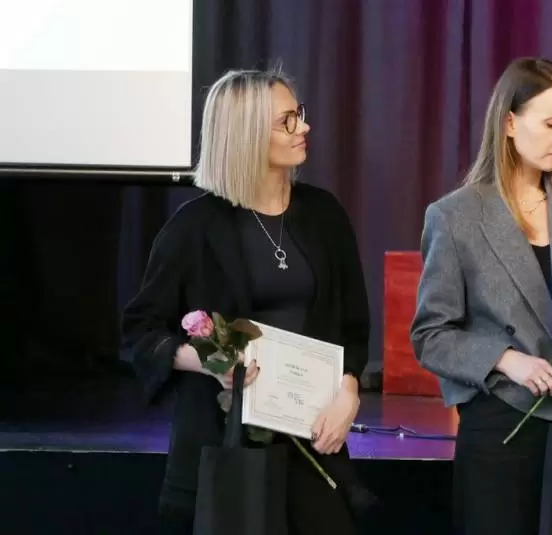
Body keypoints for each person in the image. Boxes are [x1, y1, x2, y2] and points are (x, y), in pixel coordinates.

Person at [120, 67, 370, 534]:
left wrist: (349, 393)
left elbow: (354, 327)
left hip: (314, 437)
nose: (305, 126)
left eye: (299, 114)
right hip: (226, 444)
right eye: (287, 121)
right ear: (246, 134)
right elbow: (141, 331)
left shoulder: (325, 215)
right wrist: (209, 361)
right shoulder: (194, 226)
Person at [410, 57, 552, 535]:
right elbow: (431, 335)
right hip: (503, 430)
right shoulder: (454, 217)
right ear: (510, 123)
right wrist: (506, 359)